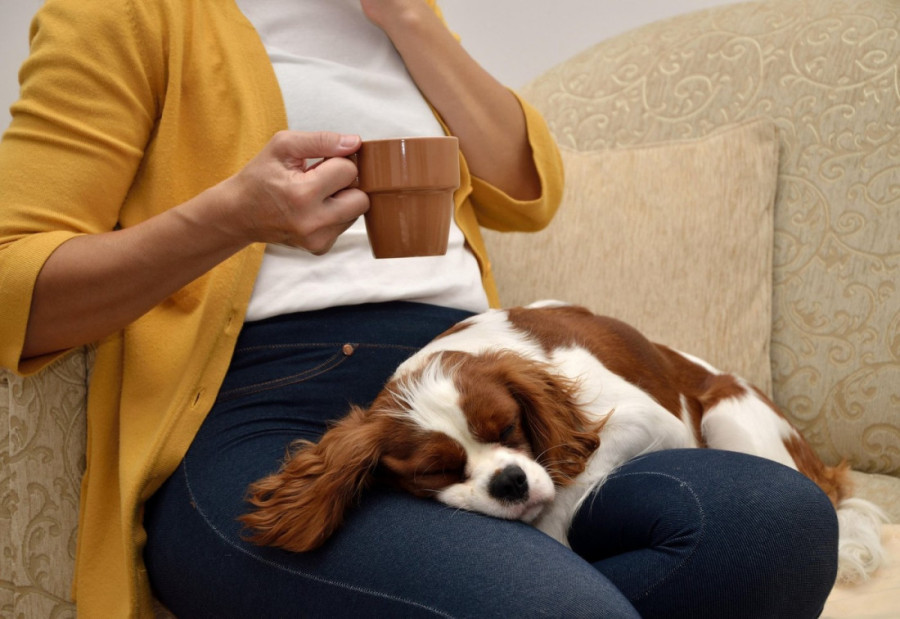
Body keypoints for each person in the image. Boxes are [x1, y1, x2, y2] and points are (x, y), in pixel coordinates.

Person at [0, 0, 839, 617]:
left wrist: (409, 19)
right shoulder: (125, 15)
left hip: (469, 382)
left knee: (778, 524)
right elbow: (15, 283)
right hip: (264, 409)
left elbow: (526, 185)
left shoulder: (394, 14)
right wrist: (231, 218)